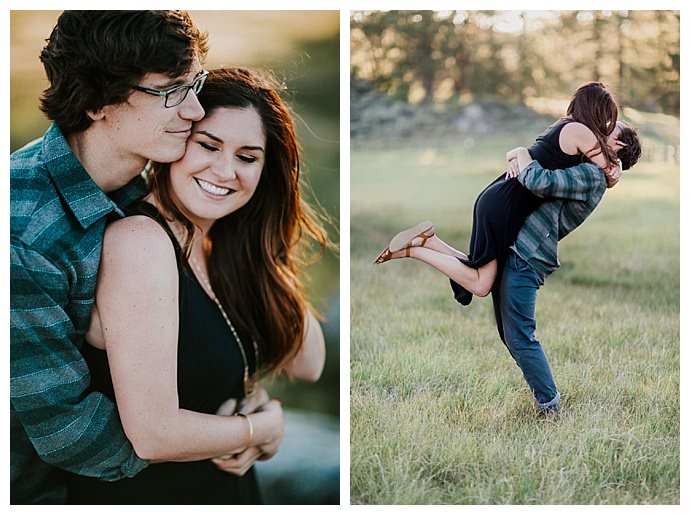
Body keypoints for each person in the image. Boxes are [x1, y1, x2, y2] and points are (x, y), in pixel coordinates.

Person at [63, 67, 329, 504]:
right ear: (175, 142)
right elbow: (154, 435)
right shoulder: (141, 242)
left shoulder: (217, 244)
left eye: (248, 157)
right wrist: (262, 427)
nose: (225, 171)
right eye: (208, 145)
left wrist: (261, 251)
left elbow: (308, 361)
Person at [10, 11, 208, 504]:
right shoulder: (22, 234)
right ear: (98, 102)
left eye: (195, 84)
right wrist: (220, 439)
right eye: (171, 92)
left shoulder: (152, 185)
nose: (197, 111)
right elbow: (66, 432)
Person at [375, 119, 641, 416]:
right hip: (519, 243)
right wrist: (518, 151)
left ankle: (550, 407)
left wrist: (521, 155)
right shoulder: (591, 167)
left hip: (529, 253)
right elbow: (552, 153)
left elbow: (541, 180)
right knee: (499, 312)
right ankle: (423, 245)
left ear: (619, 145)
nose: (599, 132)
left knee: (516, 331)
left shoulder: (592, 175)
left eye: (610, 130)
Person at [375, 82, 624, 305]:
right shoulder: (581, 132)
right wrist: (619, 167)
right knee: (482, 284)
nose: (605, 127)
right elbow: (607, 169)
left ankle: (429, 241)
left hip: (498, 197)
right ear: (597, 112)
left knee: (479, 270)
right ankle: (414, 250)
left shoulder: (561, 126)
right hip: (505, 205)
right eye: (607, 119)